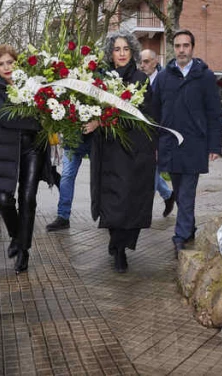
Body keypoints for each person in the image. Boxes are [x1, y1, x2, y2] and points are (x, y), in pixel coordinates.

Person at [89, 31, 156, 273]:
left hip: (134, 150)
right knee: (112, 202)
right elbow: (91, 108)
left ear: (133, 52)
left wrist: (104, 120)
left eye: (126, 49)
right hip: (108, 151)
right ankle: (117, 249)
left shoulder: (141, 79)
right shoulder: (100, 79)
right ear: (111, 53)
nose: (121, 53)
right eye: (117, 49)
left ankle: (122, 243)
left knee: (131, 201)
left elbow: (147, 115)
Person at [152, 29, 222, 258]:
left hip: (194, 145)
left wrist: (214, 145)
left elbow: (214, 113)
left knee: (186, 193)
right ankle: (188, 228)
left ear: (192, 47)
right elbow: (154, 113)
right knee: (180, 190)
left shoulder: (205, 76)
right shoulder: (162, 78)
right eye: (178, 46)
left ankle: (180, 237)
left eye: (186, 45)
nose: (182, 50)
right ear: (174, 48)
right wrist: (154, 144)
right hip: (170, 145)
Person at [0, 44, 53, 274]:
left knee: (28, 198)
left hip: (33, 147)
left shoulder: (33, 82)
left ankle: (23, 250)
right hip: (5, 149)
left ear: (17, 63)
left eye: (10, 62)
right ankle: (16, 235)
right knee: (3, 199)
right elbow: (3, 115)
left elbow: (46, 111)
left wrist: (42, 118)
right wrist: (35, 120)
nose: (6, 67)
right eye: (0, 63)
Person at [140, 49, 175, 217]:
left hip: (158, 135)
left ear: (155, 61)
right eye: (141, 61)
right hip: (142, 135)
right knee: (149, 171)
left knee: (150, 173)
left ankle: (144, 211)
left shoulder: (164, 81)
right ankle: (168, 195)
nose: (143, 65)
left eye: (146, 61)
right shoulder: (139, 81)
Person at [45, 135, 92, 231]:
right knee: (66, 176)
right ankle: (63, 216)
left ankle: (107, 215)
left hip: (95, 138)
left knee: (101, 177)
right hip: (72, 139)